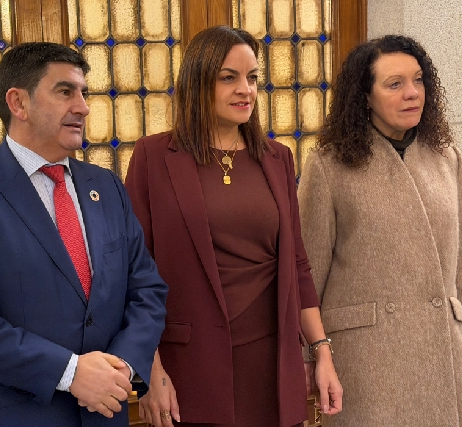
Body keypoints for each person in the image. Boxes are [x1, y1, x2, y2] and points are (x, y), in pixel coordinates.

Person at [0, 42, 168, 427]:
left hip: (105, 413)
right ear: (18, 103)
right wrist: (70, 373)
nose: (83, 107)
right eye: (65, 91)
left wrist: (123, 368)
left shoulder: (106, 186)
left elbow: (147, 290)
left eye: (83, 93)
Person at [124, 26, 342, 427]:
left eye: (253, 77)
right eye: (229, 77)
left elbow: (298, 265)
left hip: (273, 369)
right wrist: (148, 371)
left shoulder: (277, 158)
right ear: (198, 82)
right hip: (189, 371)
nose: (246, 90)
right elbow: (134, 272)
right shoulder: (153, 156)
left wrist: (321, 351)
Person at [297, 35, 462, 426]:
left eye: (418, 80)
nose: (412, 93)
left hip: (441, 351)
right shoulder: (329, 165)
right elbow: (306, 273)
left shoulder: (447, 158)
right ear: (365, 96)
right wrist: (311, 356)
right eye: (394, 84)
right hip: (366, 360)